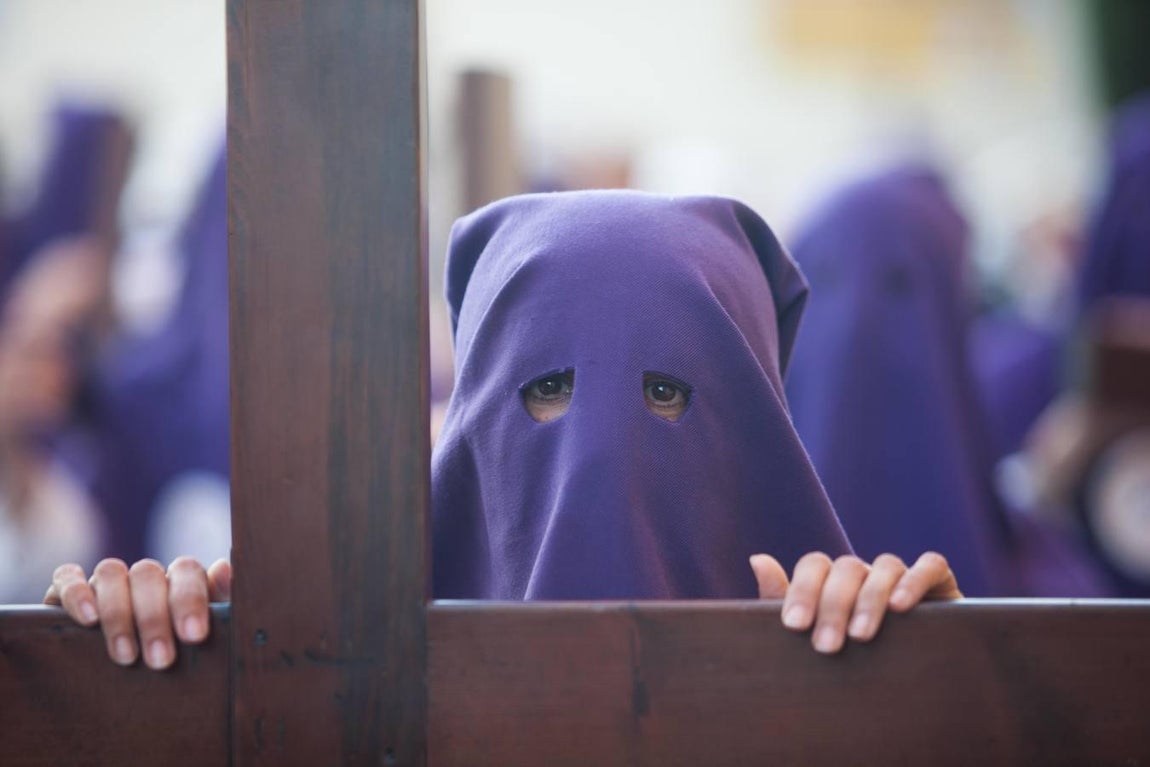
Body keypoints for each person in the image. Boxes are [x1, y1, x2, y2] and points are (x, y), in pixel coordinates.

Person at [45, 191, 961, 669]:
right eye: (548, 389)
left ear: (751, 430)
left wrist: (930, 672)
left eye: (668, 395)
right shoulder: (341, 672)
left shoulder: (835, 644)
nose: (598, 455)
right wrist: (150, 656)